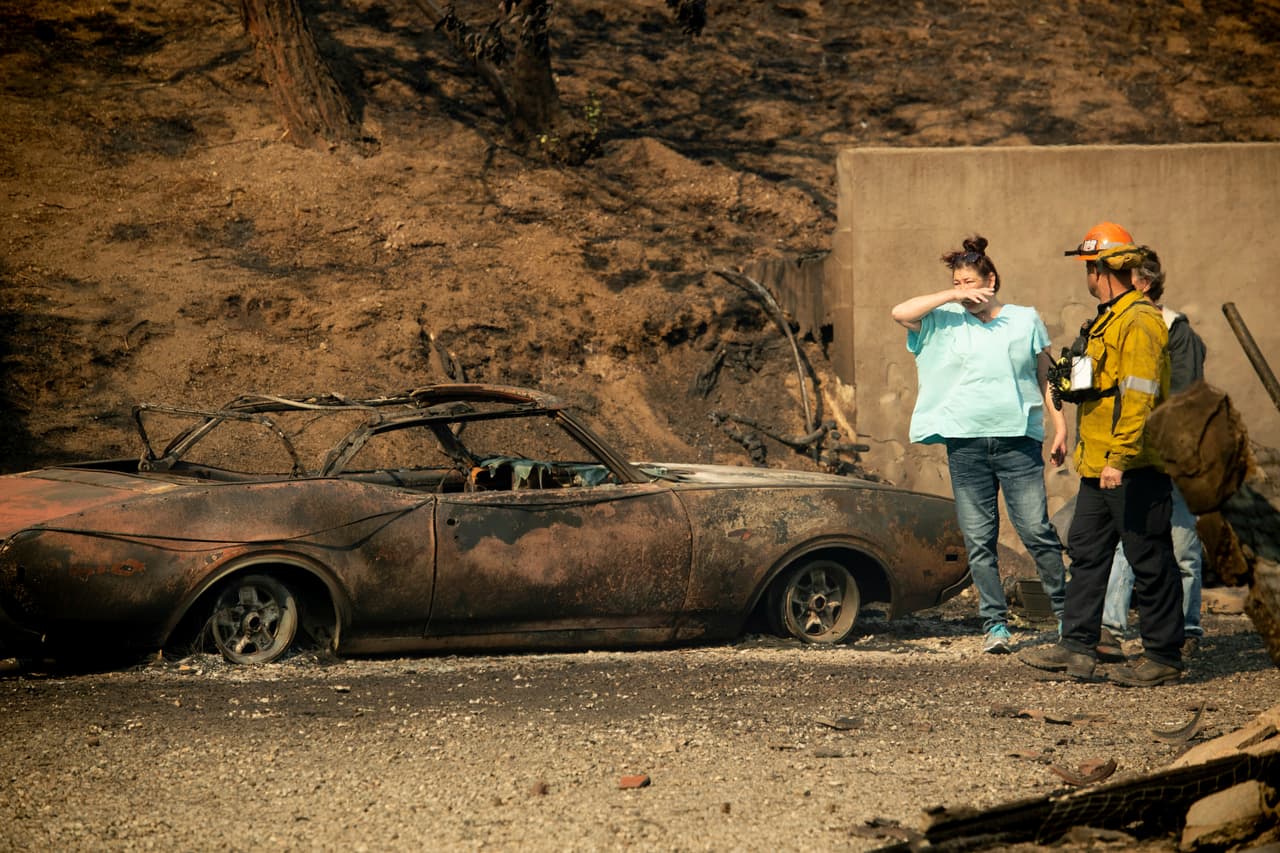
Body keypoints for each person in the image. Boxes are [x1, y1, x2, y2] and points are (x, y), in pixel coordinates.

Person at [1021, 222, 1184, 687]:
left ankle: (1164, 657)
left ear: (1102, 268)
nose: (1087, 274)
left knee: (1149, 558)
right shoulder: (1105, 319)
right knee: (1089, 554)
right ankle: (1076, 647)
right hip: (1099, 464)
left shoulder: (1139, 320)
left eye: (1089, 266)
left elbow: (1140, 395)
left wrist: (1120, 457)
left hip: (1132, 464)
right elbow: (1091, 385)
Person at [891, 235, 1067, 654]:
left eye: (972, 281)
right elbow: (900, 312)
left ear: (993, 280)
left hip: (1017, 442)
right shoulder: (943, 318)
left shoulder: (1025, 320)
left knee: (1036, 531)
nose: (965, 291)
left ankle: (1067, 617)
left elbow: (1049, 377)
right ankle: (995, 626)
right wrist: (951, 295)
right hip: (965, 444)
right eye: (958, 283)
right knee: (979, 539)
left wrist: (1060, 426)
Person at [1098, 246, 1206, 659]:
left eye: (1125, 279)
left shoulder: (1175, 331)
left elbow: (1181, 395)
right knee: (1130, 541)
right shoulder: (1111, 325)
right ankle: (1109, 627)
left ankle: (1187, 628)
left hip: (1169, 455)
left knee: (1180, 543)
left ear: (1141, 284)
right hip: (1130, 452)